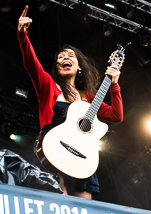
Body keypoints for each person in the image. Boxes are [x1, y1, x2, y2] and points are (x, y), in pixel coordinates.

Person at [18, 5, 123, 199]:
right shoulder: (49, 86)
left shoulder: (89, 98)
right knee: (56, 202)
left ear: (79, 67)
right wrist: (23, 36)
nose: (65, 57)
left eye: (70, 56)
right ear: (57, 67)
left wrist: (114, 86)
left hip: (81, 154)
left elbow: (116, 116)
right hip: (52, 149)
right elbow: (31, 64)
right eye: (60, 57)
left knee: (83, 207)